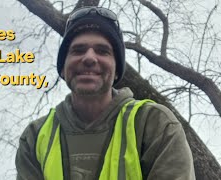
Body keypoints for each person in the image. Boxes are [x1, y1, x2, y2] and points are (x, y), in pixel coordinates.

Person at [15, 6, 195, 180]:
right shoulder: (34, 137)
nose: (89, 58)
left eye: (102, 51)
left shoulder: (155, 124)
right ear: (62, 68)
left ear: (117, 71)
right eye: (78, 50)